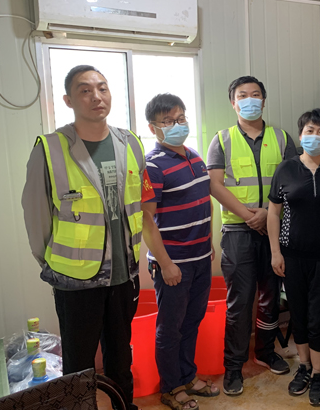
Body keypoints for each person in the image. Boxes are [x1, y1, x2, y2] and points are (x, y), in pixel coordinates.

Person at [22, 65, 155, 410]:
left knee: (120, 355)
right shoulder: (50, 148)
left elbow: (139, 204)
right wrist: (54, 261)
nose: (97, 96)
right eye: (85, 90)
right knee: (79, 364)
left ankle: (124, 406)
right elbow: (36, 217)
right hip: (75, 279)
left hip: (123, 275)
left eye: (103, 88)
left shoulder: (130, 142)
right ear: (68, 100)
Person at [206, 75, 297, 395]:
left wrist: (268, 214)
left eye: (255, 94)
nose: (249, 100)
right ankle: (233, 366)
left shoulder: (282, 138)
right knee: (240, 302)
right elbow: (215, 185)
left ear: (264, 100)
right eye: (242, 95)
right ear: (233, 103)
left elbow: (294, 182)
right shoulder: (222, 140)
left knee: (271, 297)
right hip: (237, 231)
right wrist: (249, 215)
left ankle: (266, 351)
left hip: (273, 228)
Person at [267, 109, 320, 406]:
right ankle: (302, 367)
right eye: (310, 131)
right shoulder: (285, 169)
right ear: (301, 135)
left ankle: (318, 373)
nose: (315, 136)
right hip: (292, 256)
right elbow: (273, 213)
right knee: (299, 315)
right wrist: (276, 252)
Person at [142, 94, 219, 410]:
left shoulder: (194, 156)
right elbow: (146, 219)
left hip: (200, 257)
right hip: (174, 263)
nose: (177, 125)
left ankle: (187, 376)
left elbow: (204, 202)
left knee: (192, 322)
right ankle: (171, 388)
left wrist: (208, 241)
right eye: (168, 121)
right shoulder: (152, 165)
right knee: (170, 329)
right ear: (153, 127)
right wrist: (165, 263)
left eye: (181, 118)